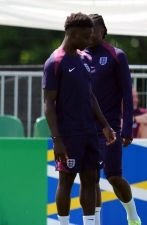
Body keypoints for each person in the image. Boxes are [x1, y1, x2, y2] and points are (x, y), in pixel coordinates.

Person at [43, 12, 116, 225]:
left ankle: (90, 223)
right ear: (72, 34)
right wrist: (57, 139)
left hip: (90, 131)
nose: (89, 41)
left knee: (91, 179)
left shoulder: (84, 59)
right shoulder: (54, 62)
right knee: (66, 181)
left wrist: (104, 124)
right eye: (85, 37)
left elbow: (89, 94)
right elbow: (48, 104)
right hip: (68, 134)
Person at [84, 14, 141, 225]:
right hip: (85, 128)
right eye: (85, 33)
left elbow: (127, 93)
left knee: (113, 175)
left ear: (103, 32)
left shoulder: (117, 55)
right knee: (91, 178)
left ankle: (133, 216)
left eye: (93, 32)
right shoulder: (78, 56)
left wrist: (127, 127)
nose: (89, 37)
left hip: (110, 128)